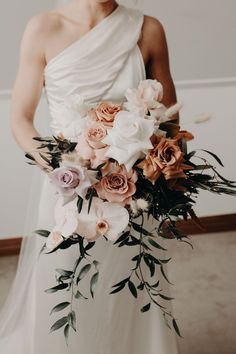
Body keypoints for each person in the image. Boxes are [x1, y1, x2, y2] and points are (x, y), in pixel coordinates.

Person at [1, 1, 179, 353]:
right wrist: (62, 169)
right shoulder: (43, 28)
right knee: (65, 287)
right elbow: (20, 117)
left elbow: (171, 121)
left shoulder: (148, 29)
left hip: (132, 191)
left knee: (126, 287)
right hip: (67, 192)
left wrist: (162, 172)